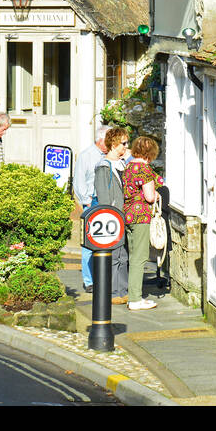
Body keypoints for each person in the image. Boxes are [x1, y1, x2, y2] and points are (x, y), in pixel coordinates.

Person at [121, 135, 163, 311]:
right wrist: (157, 195)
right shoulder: (144, 170)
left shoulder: (129, 166)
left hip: (128, 214)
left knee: (133, 256)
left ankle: (134, 295)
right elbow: (149, 196)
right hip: (141, 217)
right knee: (140, 257)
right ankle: (135, 299)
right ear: (150, 153)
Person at [92, 127, 131, 304]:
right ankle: (113, 292)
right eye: (123, 143)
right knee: (114, 256)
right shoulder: (103, 167)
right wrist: (110, 215)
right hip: (112, 218)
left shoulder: (122, 164)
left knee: (123, 255)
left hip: (123, 216)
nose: (126, 147)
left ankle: (123, 290)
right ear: (114, 144)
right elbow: (103, 196)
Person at [73, 125, 110, 291]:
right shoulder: (86, 156)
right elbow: (79, 180)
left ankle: (103, 276)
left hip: (105, 200)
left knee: (105, 239)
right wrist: (86, 201)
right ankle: (89, 281)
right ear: (101, 140)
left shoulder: (109, 155)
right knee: (89, 241)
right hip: (92, 200)